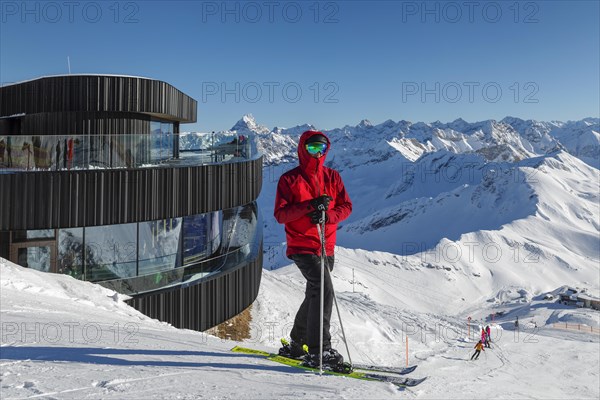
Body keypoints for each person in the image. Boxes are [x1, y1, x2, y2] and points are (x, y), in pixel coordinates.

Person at [274, 130, 352, 368]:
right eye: (312, 148)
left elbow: (346, 206)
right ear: (302, 149)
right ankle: (319, 351)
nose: (317, 153)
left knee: (314, 294)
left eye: (321, 149)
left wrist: (328, 216)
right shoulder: (289, 180)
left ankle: (297, 345)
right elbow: (281, 214)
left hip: (326, 245)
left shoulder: (332, 177)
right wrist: (310, 207)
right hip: (302, 245)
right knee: (324, 290)